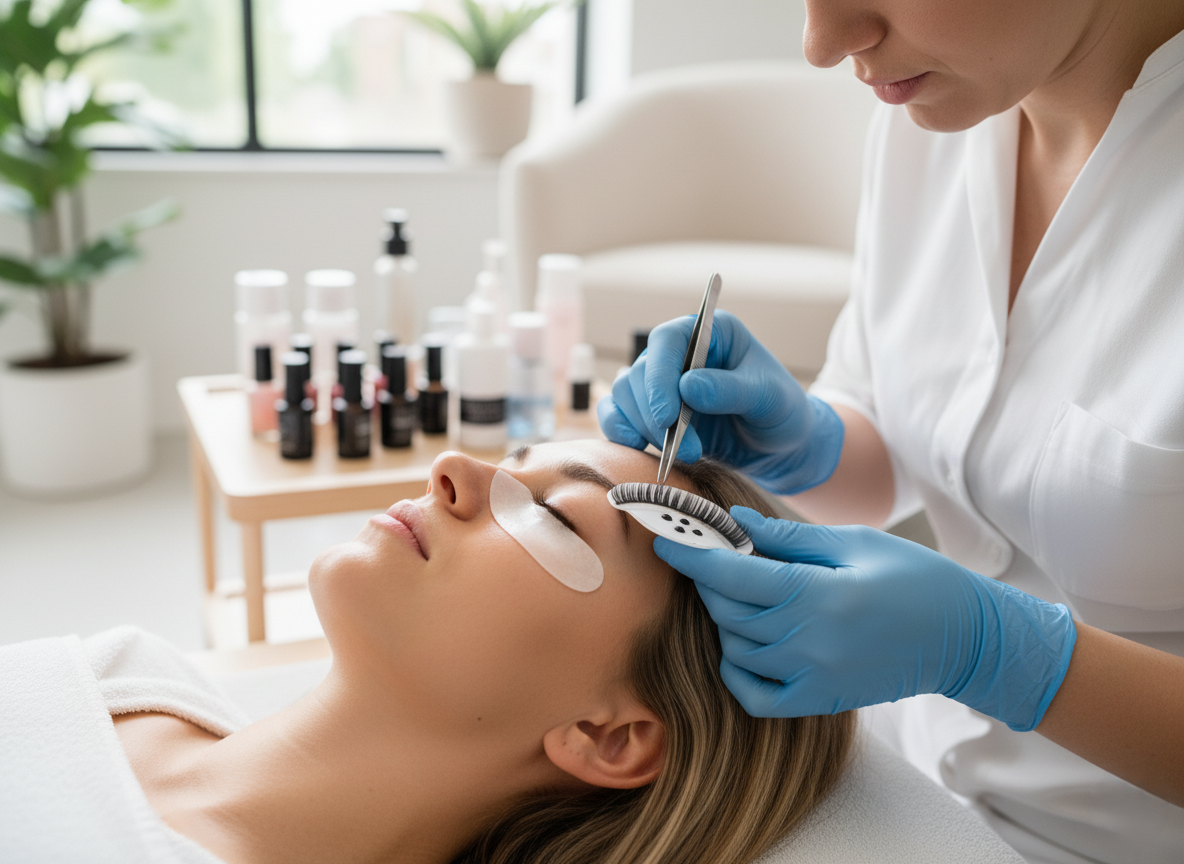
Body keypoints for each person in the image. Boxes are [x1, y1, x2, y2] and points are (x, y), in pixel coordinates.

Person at [598, 1, 1184, 861]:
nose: (824, 44)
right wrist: (806, 441)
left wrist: (1005, 656)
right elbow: (907, 453)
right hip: (895, 774)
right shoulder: (935, 108)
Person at [0, 441, 852, 864]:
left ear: (610, 735)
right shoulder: (128, 669)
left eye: (552, 518)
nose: (454, 469)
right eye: (516, 463)